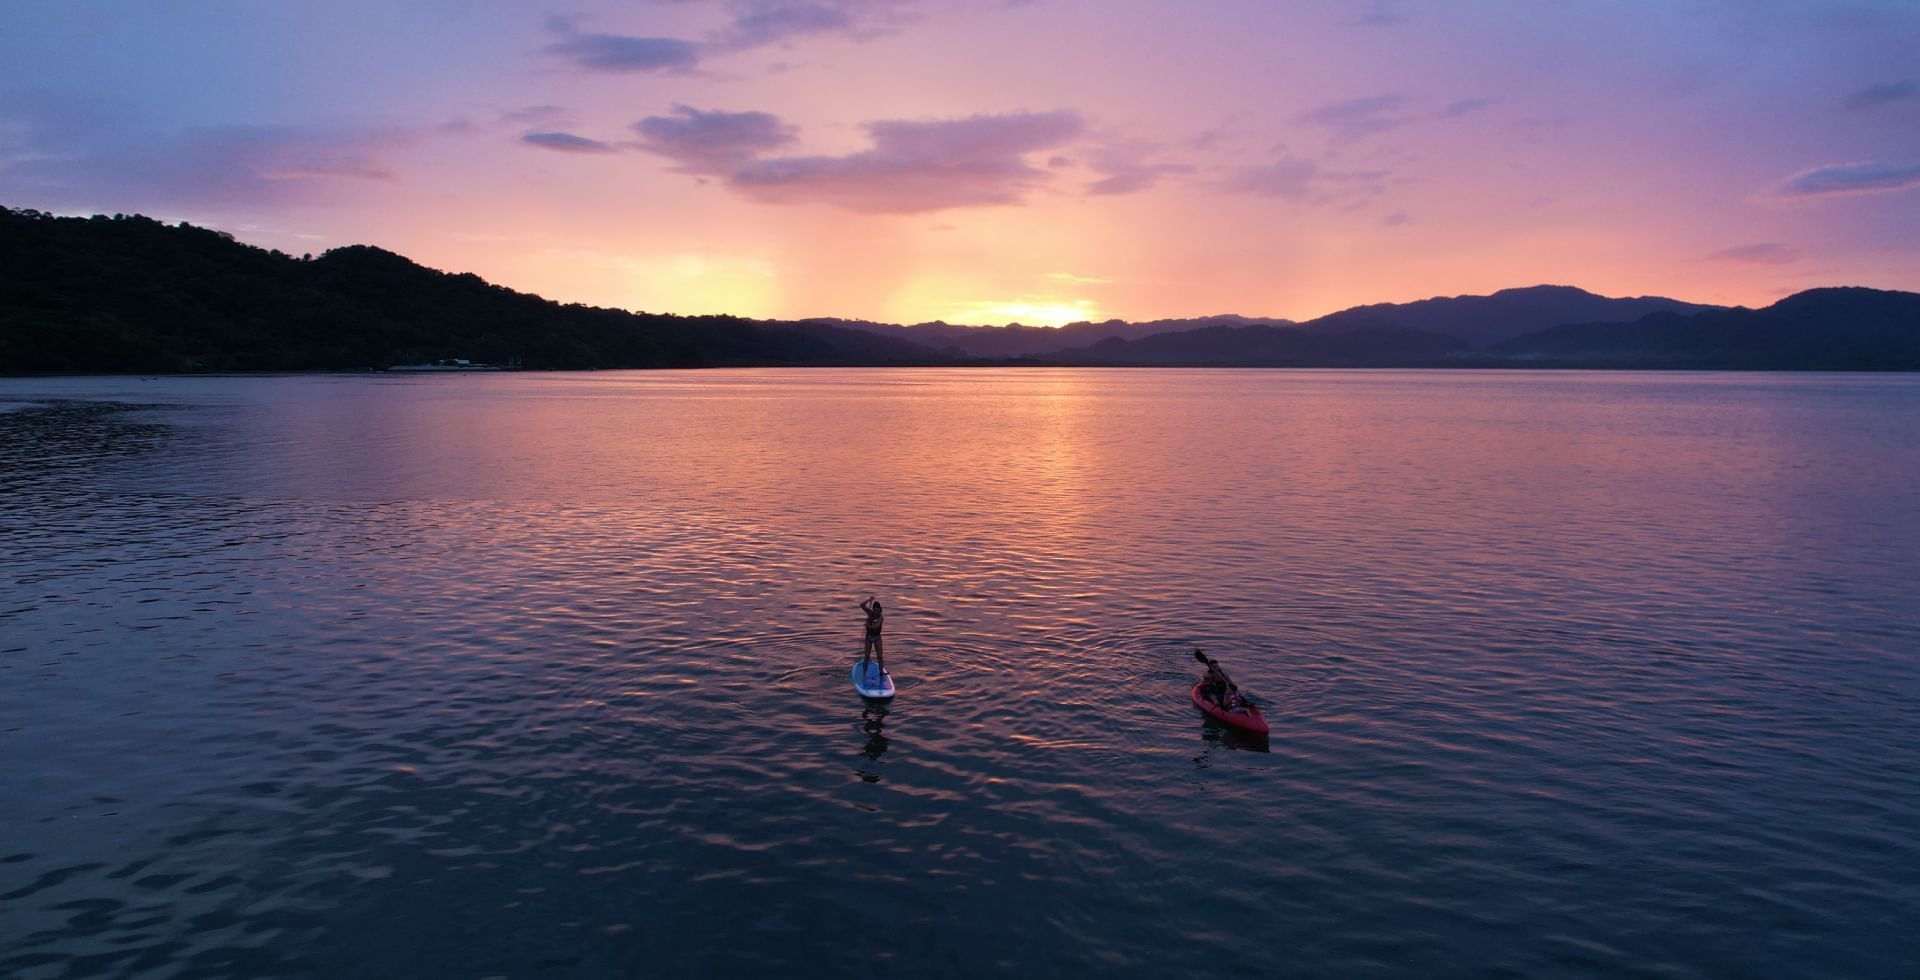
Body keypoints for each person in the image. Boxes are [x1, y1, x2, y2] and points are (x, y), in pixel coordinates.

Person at [860, 596, 886, 673]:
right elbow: (862, 605)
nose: (876, 612)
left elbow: (876, 627)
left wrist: (868, 624)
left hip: (877, 637)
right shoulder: (870, 613)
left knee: (880, 657)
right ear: (873, 610)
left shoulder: (881, 618)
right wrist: (869, 600)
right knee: (867, 656)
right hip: (869, 637)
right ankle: (864, 673)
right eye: (875, 610)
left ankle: (881, 672)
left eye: (878, 610)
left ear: (880, 610)